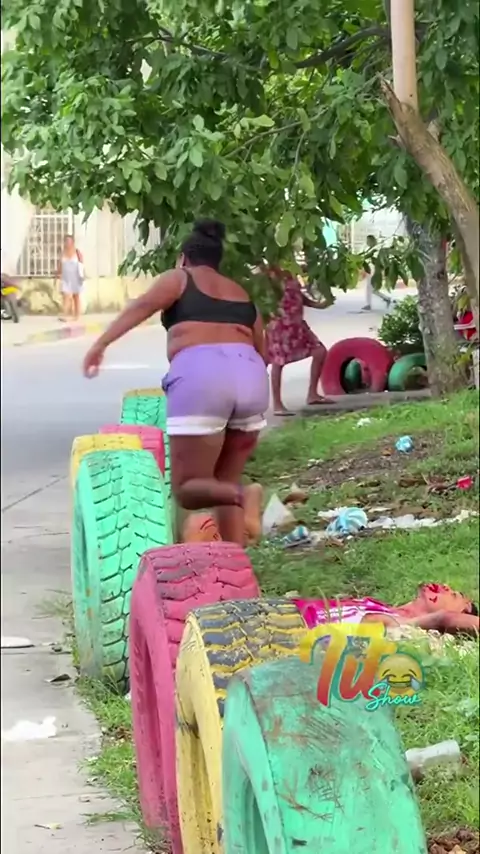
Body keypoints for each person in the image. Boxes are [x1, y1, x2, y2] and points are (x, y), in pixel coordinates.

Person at [82, 219, 268, 547]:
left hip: (202, 375)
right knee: (224, 484)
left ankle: (247, 495)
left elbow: (142, 306)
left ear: (184, 258)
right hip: (251, 376)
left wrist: (101, 344)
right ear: (217, 260)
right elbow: (262, 350)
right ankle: (236, 561)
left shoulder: (179, 278)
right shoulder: (239, 292)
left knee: (188, 489)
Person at [265, 267, 332, 415]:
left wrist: (317, 304)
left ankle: (312, 394)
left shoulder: (290, 269)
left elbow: (296, 294)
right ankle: (277, 404)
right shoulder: (270, 271)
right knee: (278, 362)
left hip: (297, 324)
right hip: (280, 325)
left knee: (320, 351)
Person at [56, 235, 84, 322]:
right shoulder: (63, 253)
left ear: (73, 242)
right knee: (66, 296)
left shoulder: (77, 252)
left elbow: (81, 264)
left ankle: (77, 315)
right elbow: (60, 265)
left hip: (76, 278)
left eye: (69, 241)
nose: (67, 243)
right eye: (66, 241)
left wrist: (83, 276)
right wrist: (57, 275)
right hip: (66, 279)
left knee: (76, 297)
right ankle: (65, 314)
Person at [362, 234, 391, 311]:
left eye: (368, 241)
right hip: (369, 269)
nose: (367, 242)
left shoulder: (376, 249)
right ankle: (386, 298)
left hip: (373, 269)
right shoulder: (369, 249)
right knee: (371, 289)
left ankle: (370, 304)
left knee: (370, 288)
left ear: (372, 241)